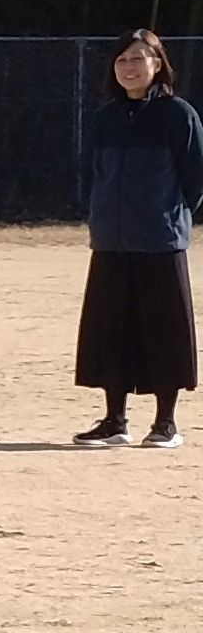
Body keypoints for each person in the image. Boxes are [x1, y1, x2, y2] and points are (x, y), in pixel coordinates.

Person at [72, 29, 203, 448]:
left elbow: (195, 178)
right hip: (111, 242)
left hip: (159, 242)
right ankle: (115, 421)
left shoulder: (178, 115)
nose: (129, 67)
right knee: (112, 330)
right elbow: (92, 173)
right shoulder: (105, 118)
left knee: (164, 330)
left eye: (138, 58)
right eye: (121, 60)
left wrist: (169, 216)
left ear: (157, 64)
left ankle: (166, 423)